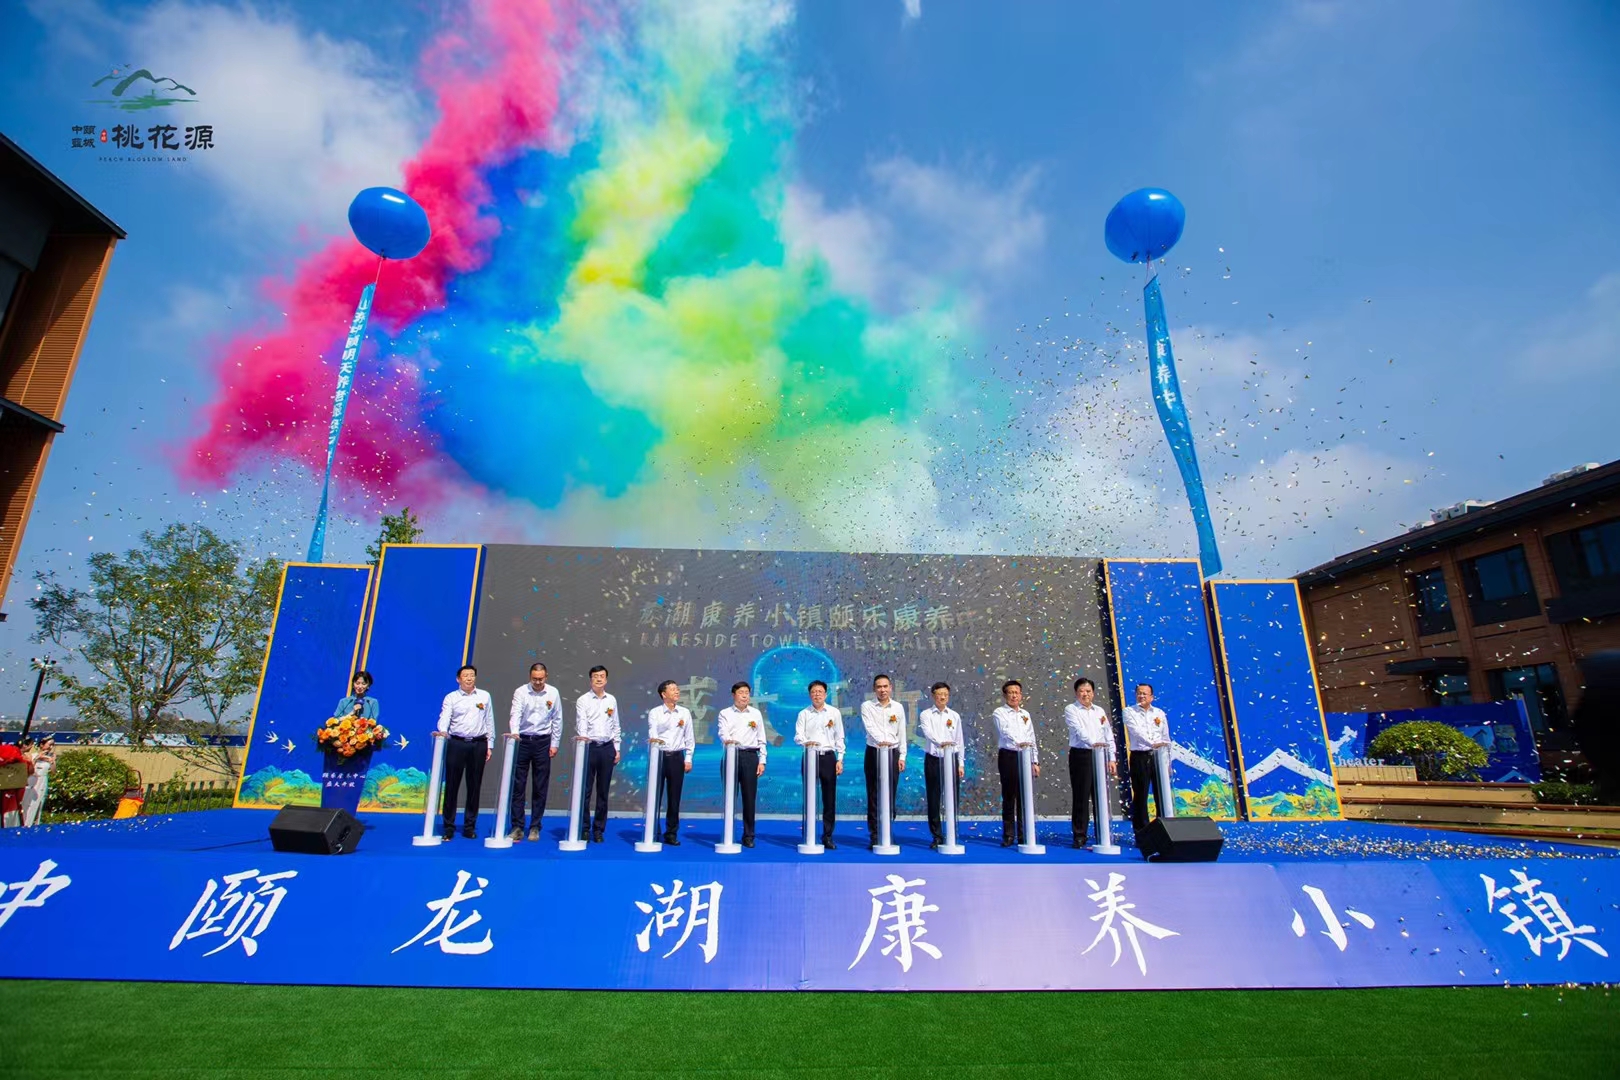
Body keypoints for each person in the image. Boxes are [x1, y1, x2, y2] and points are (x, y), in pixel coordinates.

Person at [434, 665, 493, 840]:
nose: (469, 678)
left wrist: (490, 745)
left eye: (472, 675)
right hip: (457, 744)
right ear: (458, 679)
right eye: (465, 676)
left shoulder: (484, 696)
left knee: (474, 787)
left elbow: (489, 721)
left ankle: (469, 826)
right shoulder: (451, 698)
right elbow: (444, 717)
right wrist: (443, 731)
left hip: (478, 744)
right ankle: (449, 827)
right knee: (452, 786)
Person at [507, 662, 561, 842]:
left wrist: (555, 743)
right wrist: (514, 734)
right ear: (530, 677)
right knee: (518, 785)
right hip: (522, 740)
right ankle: (517, 826)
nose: (537, 682)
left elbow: (557, 719)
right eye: (534, 679)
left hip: (543, 742)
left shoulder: (553, 693)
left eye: (540, 679)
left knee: (540, 786)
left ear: (546, 677)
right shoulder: (520, 692)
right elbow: (515, 714)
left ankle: (535, 826)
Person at [1064, 677, 1117, 848]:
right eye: (1081, 691)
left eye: (1088, 691)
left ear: (1093, 693)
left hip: (1100, 754)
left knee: (1100, 795)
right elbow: (1078, 731)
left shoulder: (1099, 711)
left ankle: (1102, 833)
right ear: (1076, 693)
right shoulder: (1071, 709)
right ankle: (1080, 835)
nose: (1085, 694)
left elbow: (1108, 734)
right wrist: (1093, 744)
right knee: (1081, 795)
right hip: (1082, 755)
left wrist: (1111, 757)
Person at [794, 679, 845, 848]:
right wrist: (807, 743)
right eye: (814, 692)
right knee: (809, 796)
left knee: (829, 798)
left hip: (828, 757)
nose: (817, 694)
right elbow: (798, 736)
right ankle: (808, 833)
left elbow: (840, 737)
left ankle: (828, 835)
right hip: (809, 756)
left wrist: (840, 759)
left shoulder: (834, 712)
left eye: (820, 692)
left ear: (826, 694)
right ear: (810, 695)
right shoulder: (804, 714)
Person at [716, 680, 767, 848]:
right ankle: (728, 833)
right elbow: (722, 733)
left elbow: (762, 739)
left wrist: (762, 760)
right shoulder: (725, 713)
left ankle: (748, 835)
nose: (745, 695)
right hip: (731, 755)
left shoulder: (756, 714)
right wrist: (729, 742)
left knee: (749, 797)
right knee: (730, 796)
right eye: (741, 692)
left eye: (747, 692)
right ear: (733, 695)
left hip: (751, 756)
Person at [860, 674, 907, 850]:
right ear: (874, 689)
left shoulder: (898, 707)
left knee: (890, 792)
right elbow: (869, 727)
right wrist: (882, 741)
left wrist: (902, 756)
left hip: (892, 753)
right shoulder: (867, 706)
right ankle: (874, 834)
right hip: (874, 751)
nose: (882, 690)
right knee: (873, 793)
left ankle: (887, 830)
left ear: (891, 687)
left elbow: (902, 732)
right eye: (879, 687)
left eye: (885, 686)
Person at [917, 682, 966, 850]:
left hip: (951, 759)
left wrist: (960, 763)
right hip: (934, 758)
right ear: (933, 695)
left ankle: (952, 833)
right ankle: (937, 835)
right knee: (934, 798)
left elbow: (959, 741)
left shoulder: (954, 716)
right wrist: (941, 743)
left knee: (952, 798)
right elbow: (928, 733)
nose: (943, 697)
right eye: (939, 694)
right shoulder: (926, 714)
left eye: (945, 694)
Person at [575, 665, 620, 843]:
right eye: (595, 676)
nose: (599, 679)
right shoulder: (583, 700)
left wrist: (617, 747)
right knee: (585, 790)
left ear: (606, 679)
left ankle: (599, 829)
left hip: (607, 748)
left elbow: (615, 724)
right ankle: (584, 828)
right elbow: (581, 724)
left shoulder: (612, 700)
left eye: (602, 676)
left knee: (603, 791)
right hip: (589, 747)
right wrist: (584, 744)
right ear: (590, 680)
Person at [992, 679, 1040, 847]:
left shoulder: (1025, 714)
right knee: (1009, 796)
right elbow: (1005, 732)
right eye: (1011, 692)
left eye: (1017, 692)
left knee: (1024, 796)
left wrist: (1035, 760)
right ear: (1005, 695)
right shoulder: (999, 712)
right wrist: (1021, 743)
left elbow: (1032, 737)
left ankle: (1023, 833)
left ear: (1021, 695)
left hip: (1025, 756)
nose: (1014, 695)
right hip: (1009, 756)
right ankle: (1008, 834)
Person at [648, 679, 694, 845]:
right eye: (673, 689)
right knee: (655, 795)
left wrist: (688, 758)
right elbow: (653, 734)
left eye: (677, 689)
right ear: (663, 694)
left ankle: (671, 833)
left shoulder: (685, 712)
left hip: (676, 757)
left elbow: (689, 737)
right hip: (659, 757)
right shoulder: (655, 713)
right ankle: (653, 831)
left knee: (674, 798)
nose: (677, 692)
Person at [1123, 682, 1171, 835]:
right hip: (1140, 756)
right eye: (1139, 693)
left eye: (1145, 693)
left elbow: (1165, 737)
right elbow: (1136, 732)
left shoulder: (1160, 713)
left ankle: (1162, 831)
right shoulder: (1129, 712)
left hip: (1159, 757)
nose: (1141, 696)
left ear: (1152, 697)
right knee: (1140, 794)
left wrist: (1167, 761)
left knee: (1161, 793)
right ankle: (1142, 833)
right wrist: (1153, 744)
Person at [21, 737, 54, 827]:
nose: (50, 747)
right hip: (32, 780)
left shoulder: (51, 756)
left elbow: (53, 771)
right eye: (49, 744)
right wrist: (37, 757)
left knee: (39, 803)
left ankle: (36, 824)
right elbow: (30, 768)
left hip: (42, 781)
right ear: (42, 745)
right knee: (27, 803)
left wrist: (52, 762)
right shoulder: (32, 755)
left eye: (52, 745)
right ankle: (25, 823)